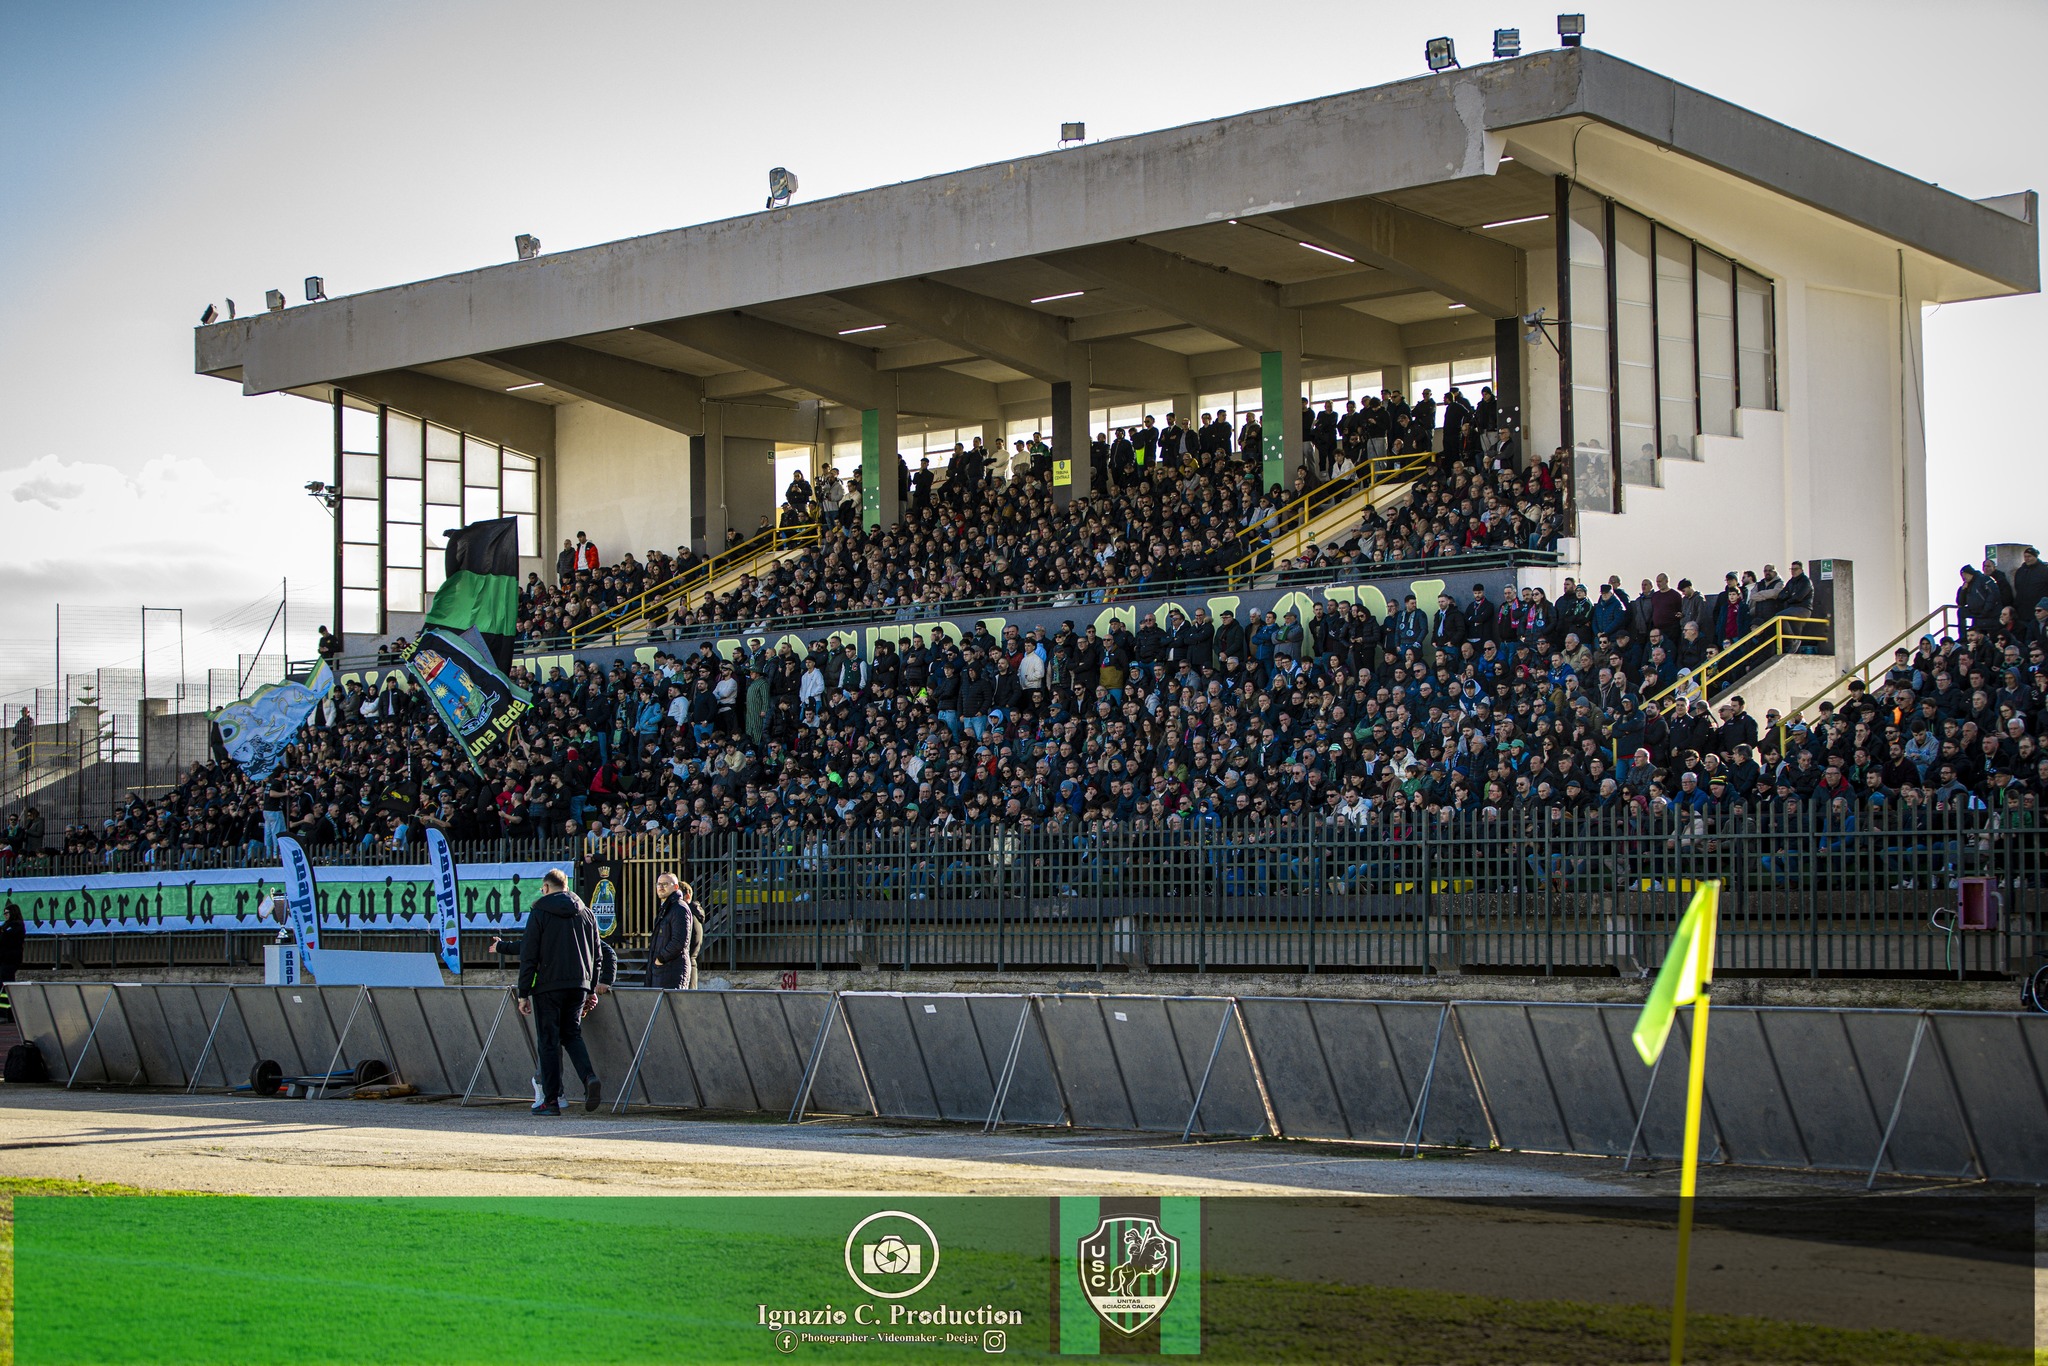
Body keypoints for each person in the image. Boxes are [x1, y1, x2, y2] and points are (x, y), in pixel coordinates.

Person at [515, 868, 602, 1115]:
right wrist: (591, 987)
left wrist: (523, 993)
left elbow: (529, 954)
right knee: (572, 1035)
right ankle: (589, 1078)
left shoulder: (540, 911)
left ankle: (550, 1100)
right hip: (578, 985)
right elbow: (597, 954)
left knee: (548, 1042)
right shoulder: (586, 913)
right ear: (566, 886)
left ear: (546, 887)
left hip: (548, 986)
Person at [648, 872, 700, 989]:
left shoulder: (679, 908)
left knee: (670, 1006)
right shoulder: (667, 908)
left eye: (665, 884)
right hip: (662, 971)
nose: (661, 887)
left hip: (671, 970)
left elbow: (679, 941)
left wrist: (661, 959)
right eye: (658, 884)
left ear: (676, 887)